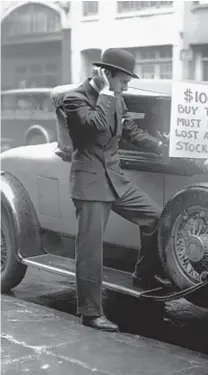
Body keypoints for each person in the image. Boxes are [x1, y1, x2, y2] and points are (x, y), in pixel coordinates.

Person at [62, 48, 168, 332]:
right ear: (107, 75)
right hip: (90, 184)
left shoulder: (116, 98)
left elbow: (128, 128)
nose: (126, 86)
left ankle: (143, 275)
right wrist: (108, 93)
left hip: (115, 180)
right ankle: (90, 313)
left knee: (156, 219)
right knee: (91, 252)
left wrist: (157, 144)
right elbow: (95, 127)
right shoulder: (74, 99)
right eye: (123, 80)